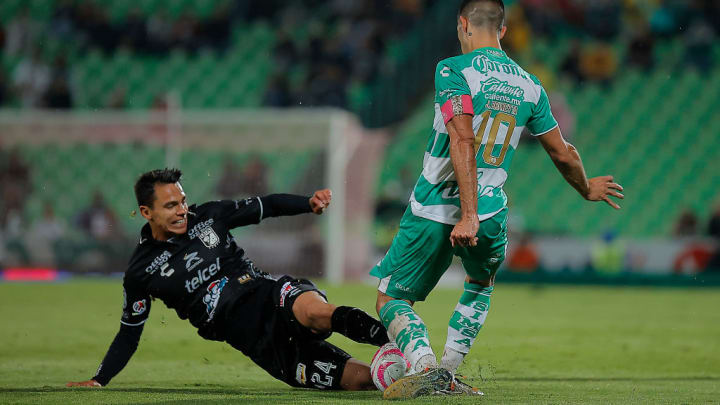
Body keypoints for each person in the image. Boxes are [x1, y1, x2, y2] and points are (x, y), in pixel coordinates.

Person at [372, 0, 624, 399]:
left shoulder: (452, 69)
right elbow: (562, 152)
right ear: (503, 30)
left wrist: (466, 215)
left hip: (436, 209)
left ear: (462, 25)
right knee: (479, 284)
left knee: (391, 298)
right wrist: (587, 187)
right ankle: (449, 373)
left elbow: (462, 138)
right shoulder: (530, 84)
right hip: (492, 210)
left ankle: (424, 366)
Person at [67, 168, 390, 391]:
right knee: (364, 380)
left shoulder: (209, 216)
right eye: (170, 206)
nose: (182, 210)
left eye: (182, 201)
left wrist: (307, 203)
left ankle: (401, 344)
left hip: (269, 295)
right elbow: (129, 332)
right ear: (146, 212)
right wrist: (100, 379)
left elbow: (266, 206)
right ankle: (405, 374)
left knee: (315, 313)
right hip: (260, 345)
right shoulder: (141, 271)